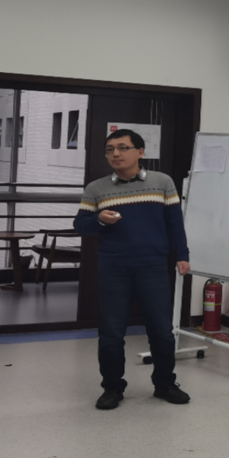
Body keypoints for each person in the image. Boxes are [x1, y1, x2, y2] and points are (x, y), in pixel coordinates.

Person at [73, 129, 191, 410]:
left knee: (161, 331)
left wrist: (182, 255)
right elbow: (80, 225)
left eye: (122, 147)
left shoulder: (162, 182)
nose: (115, 154)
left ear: (140, 152)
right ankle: (112, 387)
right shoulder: (96, 188)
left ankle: (165, 383)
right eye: (110, 149)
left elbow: (175, 223)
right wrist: (99, 219)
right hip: (114, 268)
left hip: (153, 266)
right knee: (111, 333)